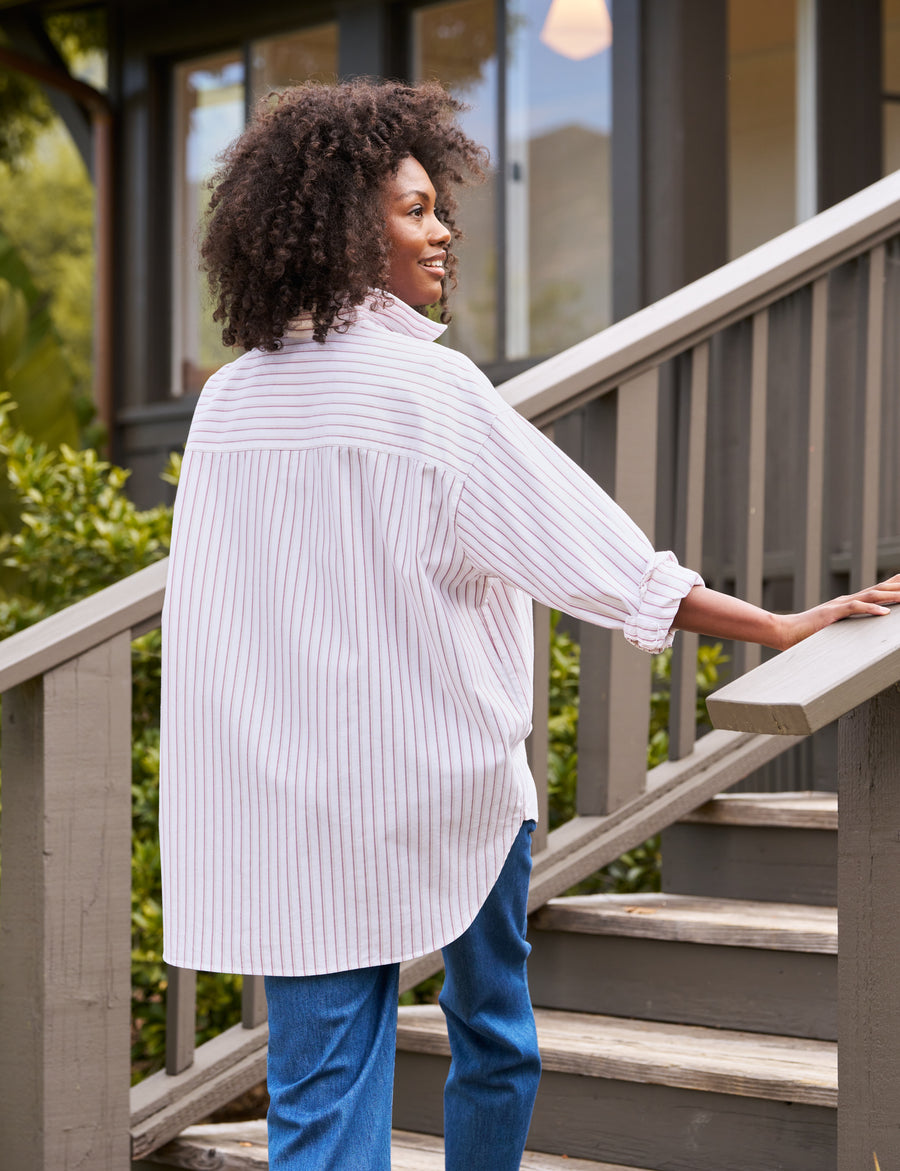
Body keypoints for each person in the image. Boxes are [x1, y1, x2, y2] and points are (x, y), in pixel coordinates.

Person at [159, 79, 900, 1171]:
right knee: (494, 1033)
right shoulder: (431, 387)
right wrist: (779, 628)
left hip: (292, 810)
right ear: (347, 229)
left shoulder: (228, 400)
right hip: (446, 782)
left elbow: (213, 608)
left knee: (318, 1105)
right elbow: (600, 560)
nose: (443, 230)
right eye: (415, 210)